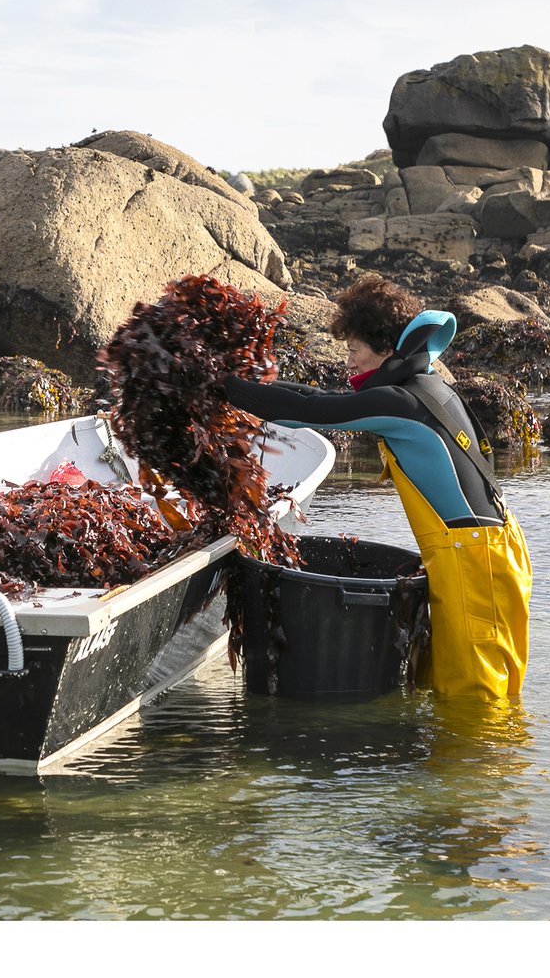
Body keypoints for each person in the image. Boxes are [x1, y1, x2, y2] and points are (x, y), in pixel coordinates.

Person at [224, 274, 532, 700]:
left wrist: (218, 384)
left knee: (476, 706)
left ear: (385, 349)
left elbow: (307, 411)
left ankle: (480, 769)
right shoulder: (427, 388)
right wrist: (245, 385)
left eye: (353, 350)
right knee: (479, 695)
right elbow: (320, 397)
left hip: (474, 562)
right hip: (491, 551)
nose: (347, 362)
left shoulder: (401, 403)